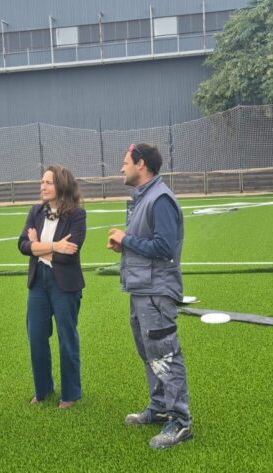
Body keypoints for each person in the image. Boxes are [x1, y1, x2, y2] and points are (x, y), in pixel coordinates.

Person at [107, 143, 193, 449]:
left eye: (125, 162)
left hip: (157, 291)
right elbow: (147, 243)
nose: (122, 168)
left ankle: (180, 422)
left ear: (140, 164)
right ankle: (159, 408)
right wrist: (125, 244)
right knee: (149, 353)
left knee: (165, 354)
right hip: (141, 288)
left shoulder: (160, 199)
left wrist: (127, 239)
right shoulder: (143, 197)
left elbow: (164, 248)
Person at [18, 165, 86, 409]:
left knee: (67, 339)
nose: (43, 186)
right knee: (36, 336)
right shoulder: (36, 211)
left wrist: (38, 246)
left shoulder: (77, 215)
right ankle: (43, 389)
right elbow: (23, 245)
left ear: (62, 185)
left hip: (64, 285)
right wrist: (55, 246)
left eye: (48, 182)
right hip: (38, 283)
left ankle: (70, 393)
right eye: (42, 182)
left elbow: (70, 254)